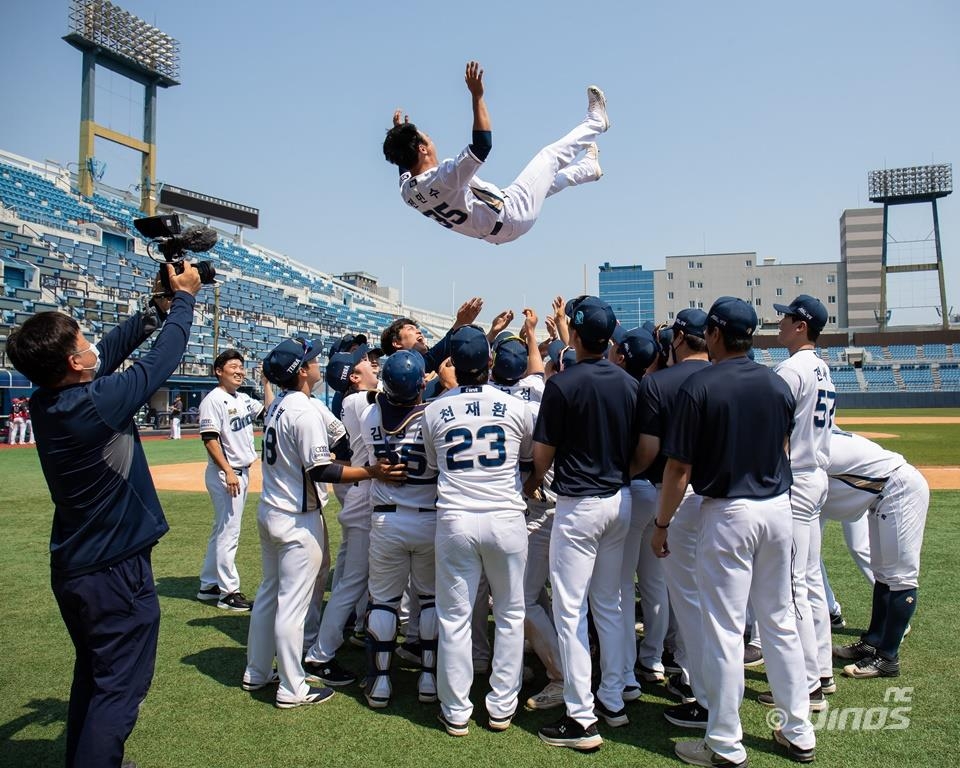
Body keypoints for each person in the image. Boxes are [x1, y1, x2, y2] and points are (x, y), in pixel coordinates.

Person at [6, 262, 202, 768]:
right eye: (84, 338)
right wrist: (183, 302)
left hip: (78, 568)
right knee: (119, 690)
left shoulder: (55, 398)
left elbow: (106, 355)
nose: (94, 342)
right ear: (74, 362)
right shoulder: (94, 404)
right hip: (114, 572)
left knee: (94, 676)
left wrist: (149, 313)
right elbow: (159, 365)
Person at [651, 297, 815, 767]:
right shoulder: (776, 382)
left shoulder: (700, 386)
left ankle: (724, 742)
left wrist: (661, 525)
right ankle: (798, 731)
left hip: (729, 510)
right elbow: (783, 445)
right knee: (778, 620)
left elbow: (679, 466)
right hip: (777, 509)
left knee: (724, 629)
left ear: (716, 334)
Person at [243, 338, 402, 709]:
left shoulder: (284, 404)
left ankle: (256, 671)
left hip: (271, 510)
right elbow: (322, 468)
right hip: (297, 518)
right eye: (311, 359)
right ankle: (292, 687)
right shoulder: (304, 410)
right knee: (292, 606)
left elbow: (340, 440)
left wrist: (352, 452)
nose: (318, 363)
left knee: (269, 596)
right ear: (302, 371)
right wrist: (370, 470)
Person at [523, 296, 639, 751]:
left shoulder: (564, 384)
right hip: (620, 497)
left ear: (577, 335)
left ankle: (581, 718)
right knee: (608, 606)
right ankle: (613, 699)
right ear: (608, 338)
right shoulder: (630, 383)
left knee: (571, 613)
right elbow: (645, 445)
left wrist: (534, 479)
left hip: (578, 503)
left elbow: (544, 451)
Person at [423, 325, 535, 735]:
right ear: (489, 362)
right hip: (505, 515)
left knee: (454, 618)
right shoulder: (515, 405)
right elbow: (527, 455)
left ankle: (455, 711)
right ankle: (502, 707)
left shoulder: (433, 408)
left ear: (452, 363)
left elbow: (434, 465)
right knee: (509, 613)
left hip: (455, 517)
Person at [383, 61, 607, 245]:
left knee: (544, 183)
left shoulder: (408, 192)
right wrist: (477, 97)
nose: (431, 140)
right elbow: (482, 146)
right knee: (549, 157)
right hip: (510, 214)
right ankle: (596, 123)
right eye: (427, 138)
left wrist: (398, 134)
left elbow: (404, 167)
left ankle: (587, 169)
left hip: (495, 231)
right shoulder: (444, 176)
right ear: (422, 149)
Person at [631, 311, 711, 729]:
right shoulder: (721, 376)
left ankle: (669, 667)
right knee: (705, 595)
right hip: (716, 496)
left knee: (665, 588)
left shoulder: (657, 383)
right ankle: (685, 668)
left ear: (678, 337)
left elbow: (648, 450)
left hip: (666, 491)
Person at [757, 294, 835, 711]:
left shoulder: (792, 369)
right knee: (808, 580)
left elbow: (775, 427)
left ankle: (807, 685)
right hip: (817, 475)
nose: (780, 323)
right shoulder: (823, 367)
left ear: (801, 325)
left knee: (792, 587)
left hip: (797, 477)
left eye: (786, 318)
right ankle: (820, 669)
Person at [358, 349, 440, 709]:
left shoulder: (370, 414)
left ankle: (380, 683)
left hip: (387, 516)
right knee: (430, 601)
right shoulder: (434, 414)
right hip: (428, 515)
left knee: (385, 602)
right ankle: (428, 679)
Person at [302, 344, 381, 686]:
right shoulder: (358, 400)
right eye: (365, 362)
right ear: (353, 376)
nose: (372, 364)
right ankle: (320, 655)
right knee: (351, 583)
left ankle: (329, 640)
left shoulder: (351, 402)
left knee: (349, 578)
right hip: (364, 498)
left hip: (359, 498)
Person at [827, 429, 929, 678]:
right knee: (882, 572)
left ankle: (887, 658)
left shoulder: (812, 444)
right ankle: (872, 642)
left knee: (901, 576)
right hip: (882, 492)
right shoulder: (819, 436)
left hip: (900, 488)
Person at [195, 349, 263, 612]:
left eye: (241, 367)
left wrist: (267, 383)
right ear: (218, 371)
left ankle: (209, 584)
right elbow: (210, 439)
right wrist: (229, 471)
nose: (239, 370)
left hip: (238, 471)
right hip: (227, 473)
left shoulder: (243, 398)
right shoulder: (214, 400)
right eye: (233, 366)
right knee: (229, 532)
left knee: (221, 529)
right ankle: (228, 592)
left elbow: (268, 410)